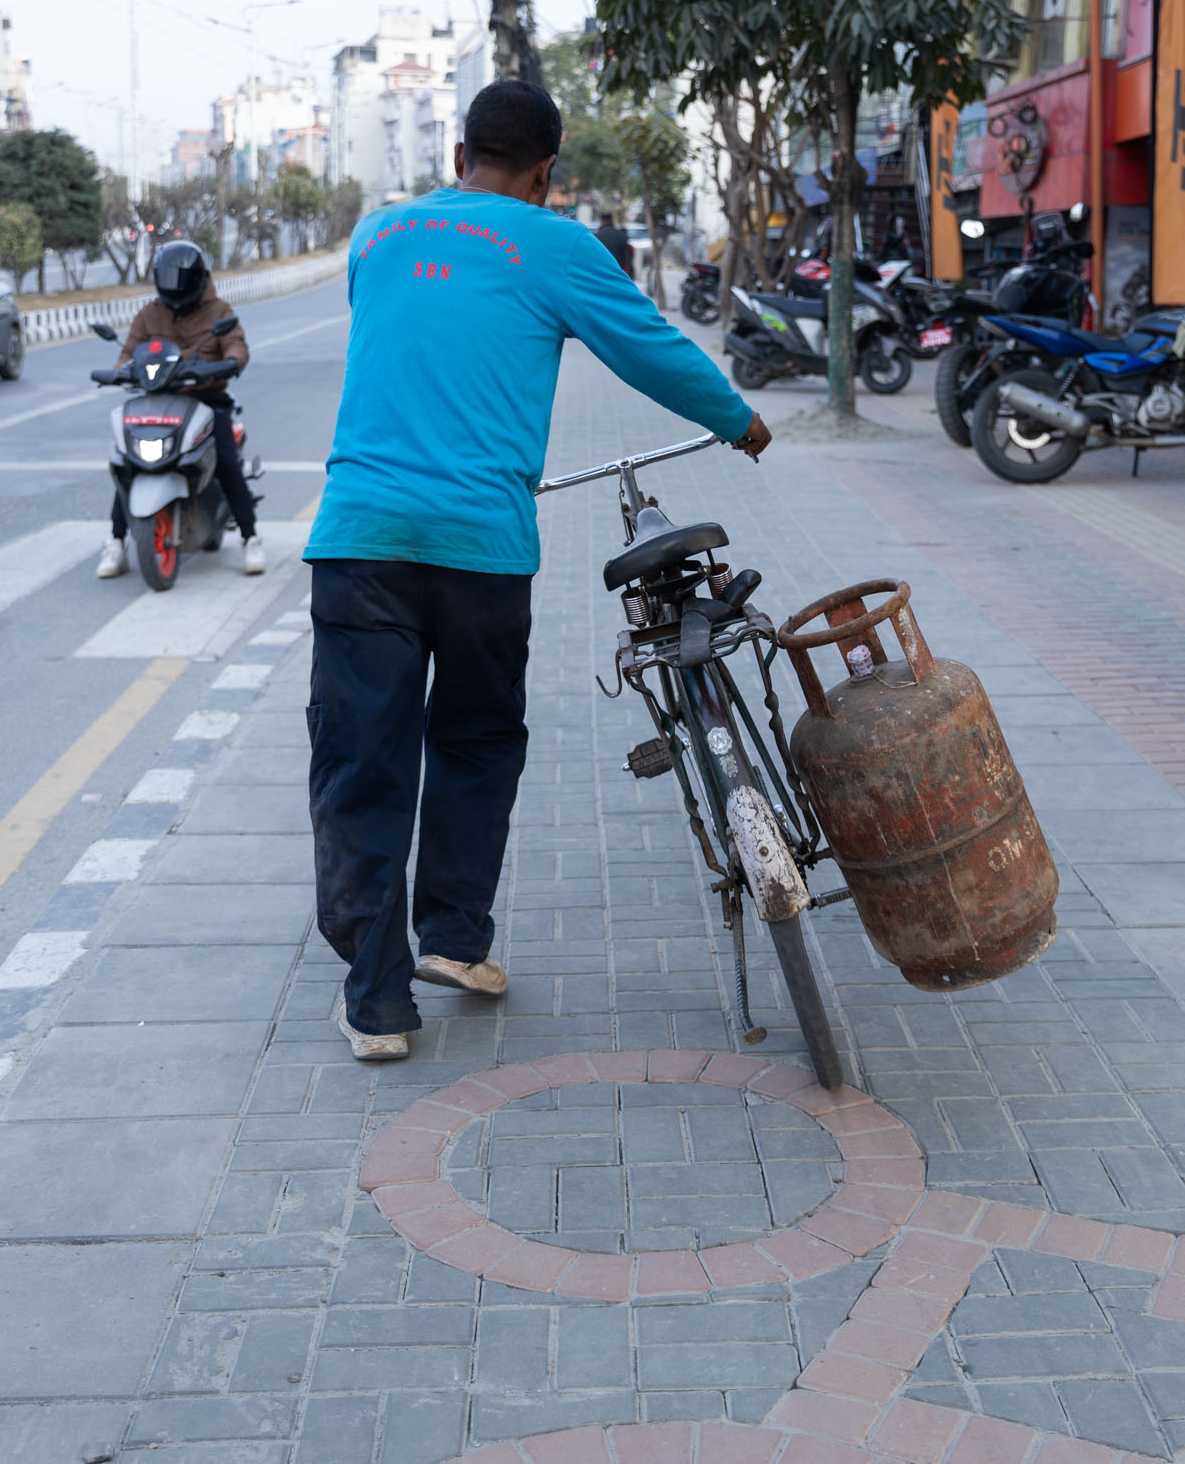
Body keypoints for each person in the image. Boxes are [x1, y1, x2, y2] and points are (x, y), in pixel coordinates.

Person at [308, 79, 772, 1062]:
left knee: (362, 761)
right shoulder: (555, 245)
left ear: (459, 155)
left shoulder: (376, 237)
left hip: (360, 540)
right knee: (476, 738)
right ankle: (454, 939)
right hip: (481, 547)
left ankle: (377, 1003)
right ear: (547, 172)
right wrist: (739, 419)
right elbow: (648, 349)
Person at [97, 241, 265, 578]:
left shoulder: (218, 311)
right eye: (168, 278)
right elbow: (128, 352)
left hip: (207, 399)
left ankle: (250, 537)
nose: (175, 285)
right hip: (158, 400)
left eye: (181, 278)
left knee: (227, 462)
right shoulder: (149, 313)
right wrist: (121, 371)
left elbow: (235, 345)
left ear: (198, 277)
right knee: (127, 462)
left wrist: (231, 362)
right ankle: (116, 542)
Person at [593, 211, 635, 281]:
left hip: (601, 275)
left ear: (602, 221)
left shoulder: (597, 236)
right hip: (618, 274)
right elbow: (627, 257)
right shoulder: (621, 235)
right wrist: (631, 273)